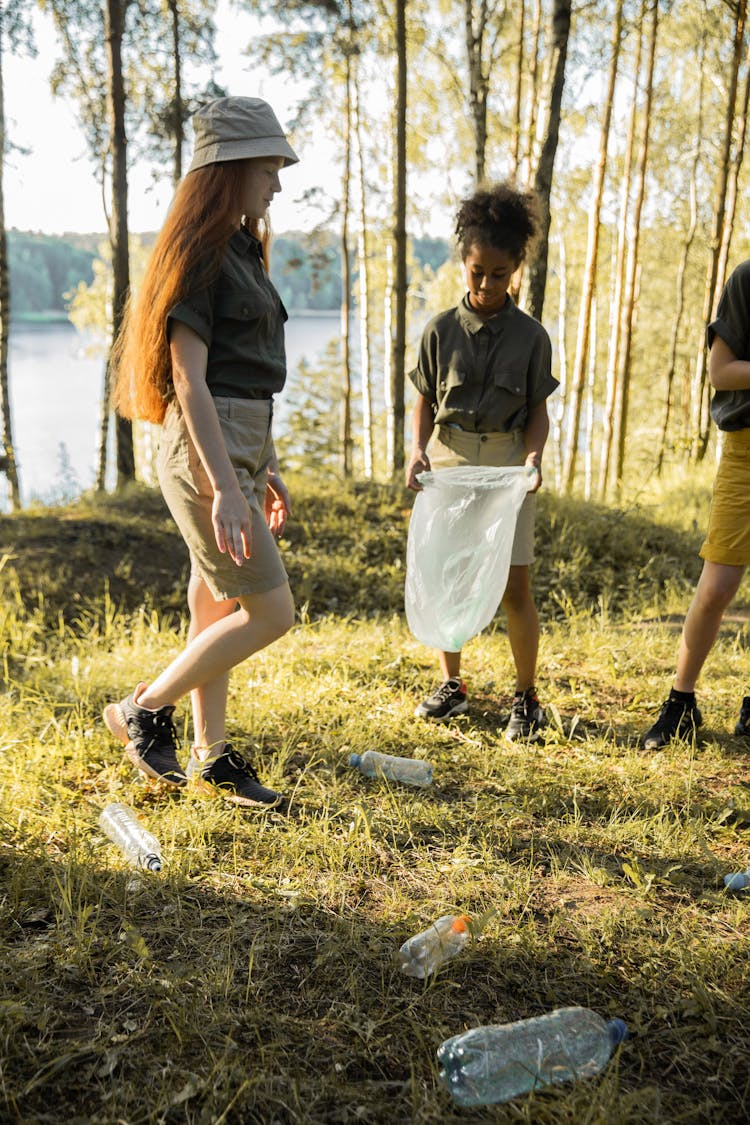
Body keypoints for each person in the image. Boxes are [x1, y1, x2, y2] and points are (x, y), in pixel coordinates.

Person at [103, 96, 300, 807]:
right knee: (272, 611)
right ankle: (143, 709)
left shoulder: (245, 250)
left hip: (239, 441)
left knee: (213, 606)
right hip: (203, 448)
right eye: (269, 166)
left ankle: (211, 755)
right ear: (232, 169)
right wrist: (224, 485)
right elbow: (189, 377)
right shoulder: (202, 255)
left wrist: (263, 467)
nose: (277, 181)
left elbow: (245, 372)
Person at [405, 183, 558, 741]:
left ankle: (526, 697)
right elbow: (422, 401)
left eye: (499, 273)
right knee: (447, 573)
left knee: (515, 583)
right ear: (462, 265)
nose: (488, 285)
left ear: (516, 267)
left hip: (506, 465)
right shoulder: (440, 331)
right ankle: (453, 686)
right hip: (448, 460)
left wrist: (535, 457)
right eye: (477, 273)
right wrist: (416, 451)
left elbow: (537, 411)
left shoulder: (532, 337)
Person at [642, 259, 750, 749]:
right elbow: (720, 372)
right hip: (746, 450)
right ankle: (680, 702)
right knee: (718, 585)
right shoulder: (746, 280)